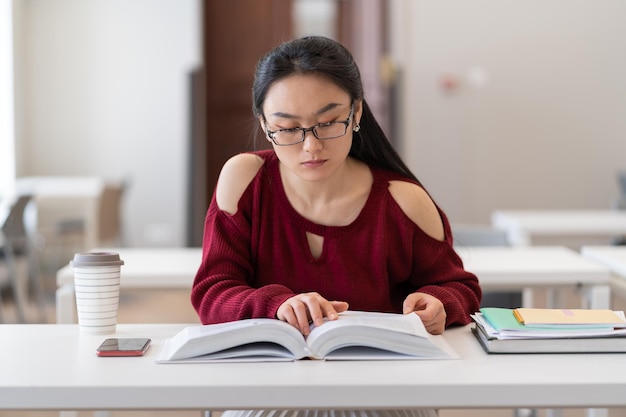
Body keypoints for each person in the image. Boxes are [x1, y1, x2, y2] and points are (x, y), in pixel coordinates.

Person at [191, 35, 481, 417]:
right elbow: (213, 292)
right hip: (268, 391)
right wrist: (278, 305)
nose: (311, 147)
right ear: (264, 124)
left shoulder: (403, 199)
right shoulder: (246, 180)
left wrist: (439, 304)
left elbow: (459, 287)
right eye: (288, 128)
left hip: (383, 395)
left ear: (357, 113)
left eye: (328, 123)